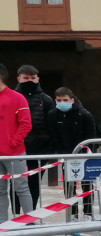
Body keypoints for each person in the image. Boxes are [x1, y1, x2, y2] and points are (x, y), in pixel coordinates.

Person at [48, 87, 97, 219]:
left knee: (87, 185)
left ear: (72, 100)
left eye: (65, 100)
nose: (62, 102)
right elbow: (53, 135)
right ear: (55, 100)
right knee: (69, 186)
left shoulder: (84, 115)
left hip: (84, 155)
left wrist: (88, 153)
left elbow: (92, 136)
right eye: (59, 100)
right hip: (66, 156)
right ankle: (73, 213)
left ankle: (88, 213)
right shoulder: (53, 115)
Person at [13, 65, 54, 212]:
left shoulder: (46, 100)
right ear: (19, 78)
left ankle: (30, 215)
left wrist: (49, 147)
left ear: (38, 79)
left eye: (32, 78)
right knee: (16, 183)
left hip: (39, 150)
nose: (29, 81)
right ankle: (16, 214)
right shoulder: (12, 98)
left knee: (34, 184)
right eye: (26, 78)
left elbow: (51, 124)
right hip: (16, 148)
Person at [0, 63, 33, 224]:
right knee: (0, 190)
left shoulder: (17, 98)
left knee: (21, 187)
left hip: (14, 152)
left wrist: (13, 142)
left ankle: (30, 221)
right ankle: (2, 223)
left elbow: (26, 124)